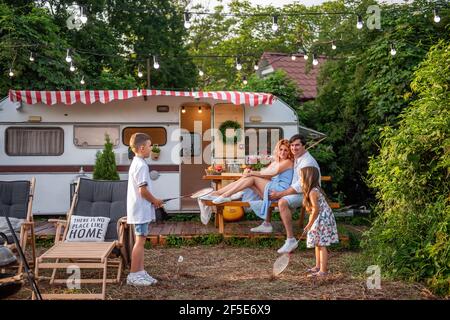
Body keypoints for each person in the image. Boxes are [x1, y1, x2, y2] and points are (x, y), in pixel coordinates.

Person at [201, 139, 294, 224]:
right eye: (281, 149)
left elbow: (271, 174)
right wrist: (249, 172)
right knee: (246, 179)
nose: (283, 152)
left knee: (251, 178)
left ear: (289, 152)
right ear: (277, 150)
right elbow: (267, 174)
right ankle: (218, 193)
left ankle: (226, 195)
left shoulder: (288, 162)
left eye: (286, 150)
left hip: (279, 191)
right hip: (272, 188)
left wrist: (252, 173)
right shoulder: (276, 162)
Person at [269, 134, 320, 253]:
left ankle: (290, 240)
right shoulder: (297, 158)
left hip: (309, 194)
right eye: (292, 145)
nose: (294, 148)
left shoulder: (307, 161)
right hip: (301, 191)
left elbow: (300, 186)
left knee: (282, 202)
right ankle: (266, 224)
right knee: (272, 194)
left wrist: (281, 194)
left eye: (297, 145)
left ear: (304, 146)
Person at [126, 132, 164, 286]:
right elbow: (143, 191)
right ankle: (133, 275)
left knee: (140, 241)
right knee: (140, 242)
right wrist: (155, 201)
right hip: (140, 210)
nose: (151, 148)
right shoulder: (141, 165)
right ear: (142, 148)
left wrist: (154, 201)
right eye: (149, 145)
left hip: (140, 209)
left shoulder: (138, 162)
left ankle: (140, 271)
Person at [300, 166, 338, 277]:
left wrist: (309, 224)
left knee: (321, 245)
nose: (300, 180)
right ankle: (318, 266)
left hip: (322, 220)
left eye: (301, 177)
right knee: (318, 243)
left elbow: (316, 209)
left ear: (308, 178)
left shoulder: (312, 192)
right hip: (322, 218)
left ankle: (323, 271)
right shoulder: (315, 189)